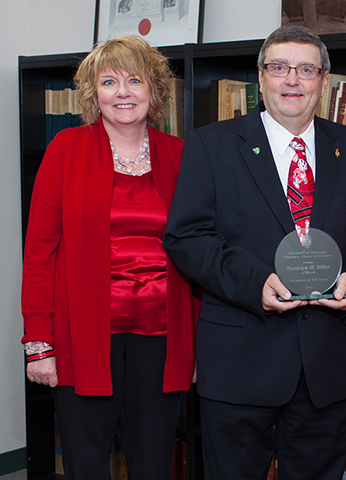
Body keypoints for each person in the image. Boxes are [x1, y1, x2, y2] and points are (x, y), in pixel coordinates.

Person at [163, 24, 346, 480]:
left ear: (324, 81)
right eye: (280, 67)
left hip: (326, 365)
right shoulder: (210, 145)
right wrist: (254, 284)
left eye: (306, 69)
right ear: (260, 77)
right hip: (239, 361)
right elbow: (187, 237)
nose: (293, 80)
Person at [21, 36, 198, 480]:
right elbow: (39, 252)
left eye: (134, 80)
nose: (123, 92)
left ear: (153, 90)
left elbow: (198, 253)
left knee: (153, 463)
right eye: (109, 81)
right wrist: (38, 344)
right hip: (83, 336)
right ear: (92, 93)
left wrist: (195, 347)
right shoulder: (66, 148)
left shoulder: (180, 155)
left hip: (161, 337)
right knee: (86, 463)